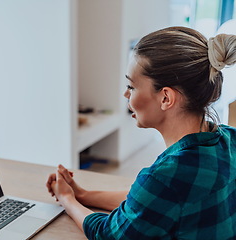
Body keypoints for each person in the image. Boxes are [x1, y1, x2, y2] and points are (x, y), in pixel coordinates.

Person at [46, 26, 236, 239]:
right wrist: (83, 195)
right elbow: (148, 203)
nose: (125, 94)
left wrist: (66, 200)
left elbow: (107, 234)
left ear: (166, 98)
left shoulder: (165, 177)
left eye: (131, 86)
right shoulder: (230, 139)